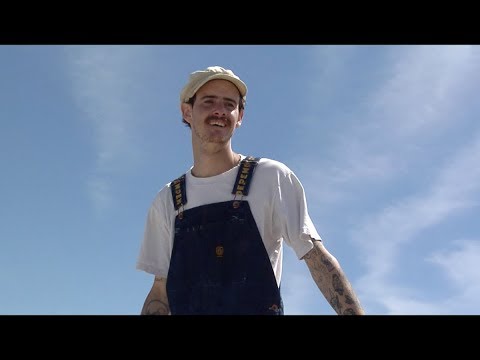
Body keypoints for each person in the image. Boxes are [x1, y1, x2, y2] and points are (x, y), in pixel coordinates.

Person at [136, 65, 365, 315]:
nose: (219, 111)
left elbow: (317, 259)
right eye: (208, 101)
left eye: (229, 104)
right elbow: (160, 291)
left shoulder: (271, 177)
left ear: (240, 116)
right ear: (187, 111)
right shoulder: (168, 201)